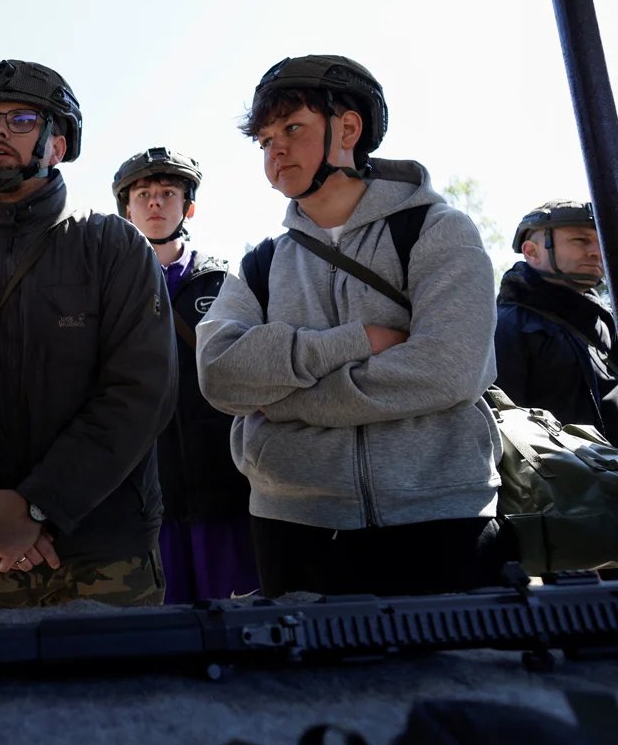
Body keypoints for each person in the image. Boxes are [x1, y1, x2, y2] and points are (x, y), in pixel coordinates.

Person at [195, 55, 509, 597]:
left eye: (292, 128)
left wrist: (285, 402)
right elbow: (220, 376)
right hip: (292, 524)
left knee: (456, 680)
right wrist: (356, 342)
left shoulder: (438, 232)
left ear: (347, 128)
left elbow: (447, 371)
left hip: (442, 515)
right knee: (309, 684)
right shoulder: (261, 263)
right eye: (265, 140)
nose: (276, 151)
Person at [0, 60, 176, 608]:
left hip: (105, 549)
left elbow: (140, 392)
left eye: (22, 118)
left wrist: (37, 507)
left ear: (58, 144)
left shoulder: (114, 246)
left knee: (120, 695)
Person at [111, 147, 258, 601]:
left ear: (187, 207)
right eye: (143, 194)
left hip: (225, 492)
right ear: (127, 209)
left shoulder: (227, 283)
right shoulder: (107, 287)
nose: (155, 203)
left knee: (233, 625)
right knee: (162, 630)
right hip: (145, 499)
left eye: (168, 193)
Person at [495, 200, 617, 437]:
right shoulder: (508, 325)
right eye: (580, 240)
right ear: (532, 252)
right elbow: (500, 428)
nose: (596, 252)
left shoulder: (604, 322)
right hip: (561, 472)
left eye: (600, 240)